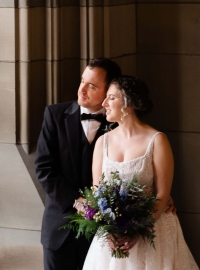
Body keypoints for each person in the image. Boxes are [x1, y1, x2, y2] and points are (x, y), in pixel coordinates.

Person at [80, 76, 198, 270]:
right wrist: (109, 231)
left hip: (153, 232)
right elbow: (97, 191)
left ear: (128, 103)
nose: (104, 103)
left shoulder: (157, 140)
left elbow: (162, 194)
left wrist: (138, 230)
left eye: (111, 98)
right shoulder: (102, 142)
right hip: (113, 235)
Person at [37, 58, 123, 270]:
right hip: (59, 229)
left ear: (109, 92)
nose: (81, 90)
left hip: (103, 234)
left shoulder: (120, 124)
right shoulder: (55, 115)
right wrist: (77, 202)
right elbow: (44, 169)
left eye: (91, 86)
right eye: (82, 81)